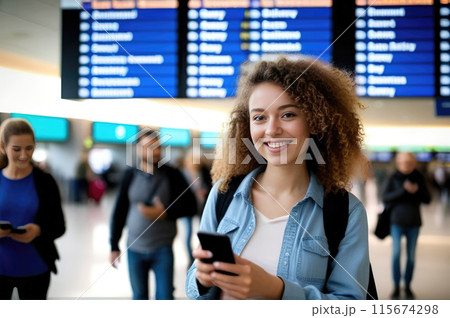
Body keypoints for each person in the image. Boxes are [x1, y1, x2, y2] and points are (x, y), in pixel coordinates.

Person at [185, 56, 371, 300]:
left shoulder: (345, 212)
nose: (271, 130)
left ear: (314, 121)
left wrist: (277, 291)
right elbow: (193, 289)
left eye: (288, 115)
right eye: (259, 117)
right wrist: (201, 279)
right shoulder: (224, 193)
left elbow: (350, 305)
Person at [109, 129, 197, 300]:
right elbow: (119, 211)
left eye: (157, 146)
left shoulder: (172, 174)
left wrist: (165, 213)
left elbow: (191, 206)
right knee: (139, 296)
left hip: (162, 248)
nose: (155, 151)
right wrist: (113, 245)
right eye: (149, 147)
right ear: (138, 149)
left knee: (164, 296)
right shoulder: (129, 175)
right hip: (134, 248)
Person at [0, 118, 66, 300]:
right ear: (3, 147)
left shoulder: (45, 182)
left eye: (29, 148)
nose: (24, 155)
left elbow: (59, 225)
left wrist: (38, 231)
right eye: (16, 149)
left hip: (35, 268)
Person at [382, 152, 430, 300]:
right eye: (403, 162)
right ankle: (396, 286)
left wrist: (417, 191)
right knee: (396, 254)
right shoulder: (393, 177)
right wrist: (403, 190)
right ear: (398, 163)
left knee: (411, 257)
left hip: (414, 223)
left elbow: (428, 199)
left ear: (414, 163)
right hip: (396, 222)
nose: (406, 165)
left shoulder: (419, 178)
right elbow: (385, 197)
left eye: (409, 162)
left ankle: (407, 286)